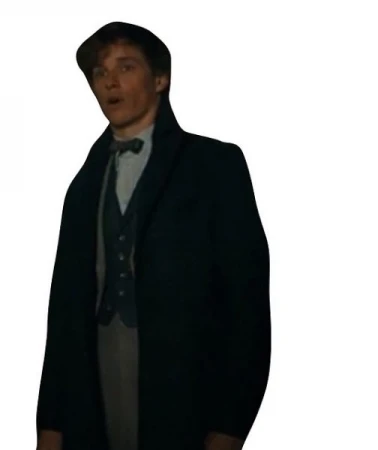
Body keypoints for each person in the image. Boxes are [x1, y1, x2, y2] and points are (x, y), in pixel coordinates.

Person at [36, 21, 271, 450]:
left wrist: (231, 425)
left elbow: (247, 302)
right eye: (100, 72)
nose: (110, 81)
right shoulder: (82, 186)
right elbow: (63, 314)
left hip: (184, 388)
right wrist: (50, 425)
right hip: (93, 387)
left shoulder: (214, 165)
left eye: (126, 67)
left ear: (160, 79)